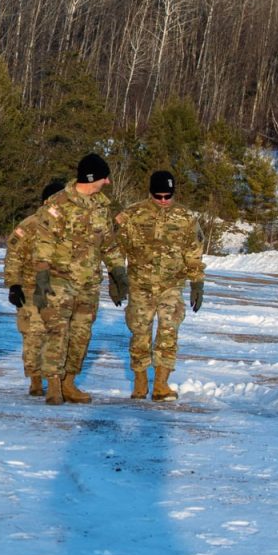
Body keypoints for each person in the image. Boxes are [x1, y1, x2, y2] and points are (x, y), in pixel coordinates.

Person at [32, 153, 128, 405]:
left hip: (89, 284)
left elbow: (108, 244)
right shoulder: (57, 203)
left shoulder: (102, 206)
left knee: (81, 335)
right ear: (91, 178)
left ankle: (68, 382)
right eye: (104, 178)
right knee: (58, 333)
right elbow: (43, 242)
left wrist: (118, 272)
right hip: (59, 281)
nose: (107, 182)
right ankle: (53, 384)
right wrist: (41, 276)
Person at [113, 170, 205, 401]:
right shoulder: (132, 215)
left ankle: (161, 384)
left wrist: (197, 283)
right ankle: (140, 382)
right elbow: (115, 249)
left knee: (168, 332)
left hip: (171, 286)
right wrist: (116, 279)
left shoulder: (186, 218)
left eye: (167, 196)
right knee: (140, 334)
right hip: (139, 285)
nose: (163, 201)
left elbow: (193, 254)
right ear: (150, 193)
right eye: (158, 196)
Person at [3, 180, 65, 396]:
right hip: (30, 290)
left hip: (59, 289)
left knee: (57, 336)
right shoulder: (29, 225)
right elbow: (13, 256)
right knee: (33, 336)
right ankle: (35, 379)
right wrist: (14, 285)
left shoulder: (68, 226)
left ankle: (55, 380)